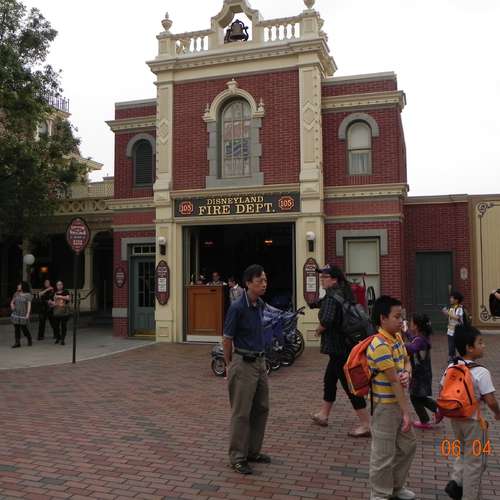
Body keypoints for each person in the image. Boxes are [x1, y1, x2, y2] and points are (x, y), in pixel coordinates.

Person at [310, 265, 371, 437]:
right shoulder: (344, 292)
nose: (321, 280)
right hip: (345, 345)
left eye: (325, 277)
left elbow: (327, 320)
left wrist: (319, 329)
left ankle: (366, 424)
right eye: (321, 277)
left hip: (338, 348)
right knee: (329, 379)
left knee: (349, 385)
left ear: (334, 279)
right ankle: (323, 414)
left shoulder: (331, 297)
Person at [442, 325, 500, 500]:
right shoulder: (481, 372)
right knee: (476, 462)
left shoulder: (451, 367)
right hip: (475, 422)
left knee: (462, 452)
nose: (484, 345)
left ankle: (456, 481)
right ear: (469, 347)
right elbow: (491, 400)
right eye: (480, 342)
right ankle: (468, 495)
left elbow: (443, 389)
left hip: (456, 420)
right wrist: (498, 413)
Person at [368, 295, 416, 500]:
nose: (401, 320)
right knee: (383, 454)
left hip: (397, 403)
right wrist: (407, 413)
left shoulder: (397, 338)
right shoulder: (379, 344)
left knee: (408, 446)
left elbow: (406, 361)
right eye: (397, 316)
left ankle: (396, 487)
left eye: (401, 316)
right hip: (385, 407)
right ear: (383, 318)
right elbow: (394, 381)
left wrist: (407, 373)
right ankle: (379, 494)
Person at [223, 264, 270, 475]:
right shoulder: (237, 308)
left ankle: (252, 451)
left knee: (261, 408)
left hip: (260, 362)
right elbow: (227, 338)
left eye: (265, 280)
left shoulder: (260, 304)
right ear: (248, 283)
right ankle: (237, 457)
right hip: (243, 363)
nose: (264, 284)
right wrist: (228, 365)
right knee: (241, 412)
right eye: (260, 281)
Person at [404, 313, 441, 429]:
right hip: (423, 373)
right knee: (419, 397)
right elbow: (413, 341)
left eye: (411, 322)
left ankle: (426, 419)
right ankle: (437, 410)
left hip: (419, 374)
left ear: (416, 326)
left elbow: (412, 347)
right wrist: (406, 331)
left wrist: (399, 344)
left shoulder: (420, 340)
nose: (410, 323)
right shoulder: (422, 337)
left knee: (415, 397)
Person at [442, 291, 464, 362]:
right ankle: (451, 357)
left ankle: (462, 357)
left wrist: (447, 312)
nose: (450, 299)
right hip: (450, 330)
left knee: (458, 344)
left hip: (457, 330)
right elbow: (450, 317)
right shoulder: (451, 308)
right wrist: (446, 313)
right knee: (451, 345)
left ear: (456, 300)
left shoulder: (459, 308)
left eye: (452, 298)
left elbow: (457, 317)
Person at [10, 281, 33, 348]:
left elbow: (29, 305)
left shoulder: (28, 295)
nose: (18, 286)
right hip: (16, 313)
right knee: (16, 328)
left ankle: (29, 338)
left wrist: (28, 314)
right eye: (18, 285)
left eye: (19, 285)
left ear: (23, 286)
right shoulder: (16, 294)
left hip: (23, 314)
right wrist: (12, 305)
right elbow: (12, 301)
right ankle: (17, 343)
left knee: (24, 329)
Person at [49, 281, 71, 345]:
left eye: (60, 284)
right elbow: (51, 302)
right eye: (58, 285)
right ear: (56, 286)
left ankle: (63, 339)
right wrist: (51, 303)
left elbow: (68, 298)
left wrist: (59, 296)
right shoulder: (54, 293)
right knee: (56, 326)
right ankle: (58, 337)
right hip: (56, 311)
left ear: (62, 285)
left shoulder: (65, 291)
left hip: (64, 312)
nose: (59, 286)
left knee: (63, 326)